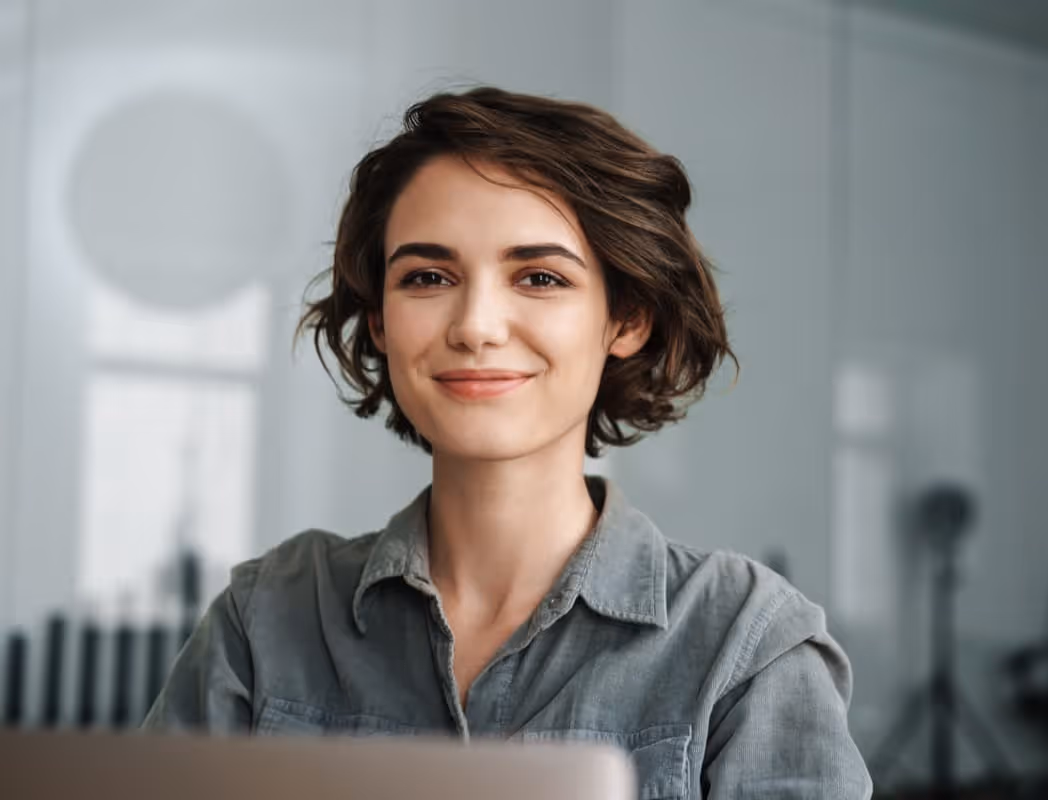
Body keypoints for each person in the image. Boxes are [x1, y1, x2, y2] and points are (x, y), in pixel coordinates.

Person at [144, 86, 872, 798]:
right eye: (428, 277)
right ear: (380, 322)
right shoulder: (267, 619)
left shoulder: (745, 643)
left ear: (626, 319)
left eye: (540, 278)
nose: (475, 326)